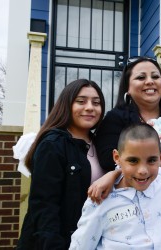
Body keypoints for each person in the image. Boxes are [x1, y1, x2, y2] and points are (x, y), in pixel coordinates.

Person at [17, 79, 105, 249]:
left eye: (96, 103)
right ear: (66, 105)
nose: (90, 107)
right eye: (81, 101)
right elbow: (44, 205)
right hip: (60, 240)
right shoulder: (53, 144)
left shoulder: (101, 143)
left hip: (89, 238)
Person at [70, 124, 161, 249]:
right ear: (117, 158)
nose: (143, 170)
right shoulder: (100, 198)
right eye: (133, 161)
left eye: (151, 160)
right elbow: (81, 245)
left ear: (160, 157)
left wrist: (115, 173)